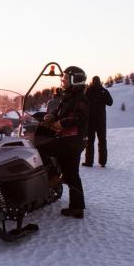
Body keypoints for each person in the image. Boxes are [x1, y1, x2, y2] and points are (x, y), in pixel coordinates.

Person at [37, 66, 89, 218]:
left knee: (39, 147)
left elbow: (80, 118)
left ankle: (53, 177)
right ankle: (77, 208)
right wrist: (51, 117)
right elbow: (59, 111)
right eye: (63, 78)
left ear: (75, 80)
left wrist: (62, 123)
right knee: (72, 174)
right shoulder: (69, 96)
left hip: (72, 140)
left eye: (65, 78)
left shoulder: (80, 99)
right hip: (68, 140)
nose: (62, 81)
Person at [83, 76, 113, 168]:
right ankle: (102, 162)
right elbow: (110, 102)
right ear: (99, 82)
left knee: (90, 142)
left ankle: (89, 162)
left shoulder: (88, 91)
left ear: (92, 82)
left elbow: (83, 103)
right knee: (102, 141)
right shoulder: (103, 91)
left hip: (91, 121)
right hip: (101, 121)